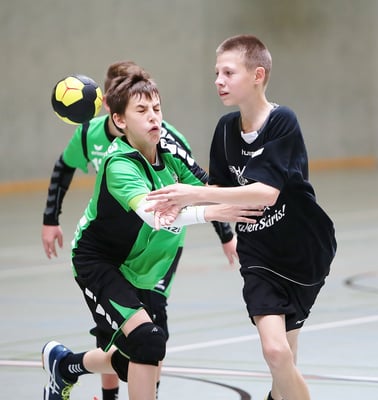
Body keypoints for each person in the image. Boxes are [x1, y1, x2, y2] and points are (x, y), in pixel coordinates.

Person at [41, 70, 262, 400]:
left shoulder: (171, 152)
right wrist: (213, 212)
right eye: (142, 111)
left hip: (143, 266)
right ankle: (71, 371)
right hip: (100, 263)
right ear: (119, 120)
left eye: (157, 109)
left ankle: (64, 366)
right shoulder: (118, 164)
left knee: (138, 355)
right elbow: (155, 216)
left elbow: (210, 187)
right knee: (148, 341)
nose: (153, 117)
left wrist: (256, 187)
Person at [146, 34, 337, 400]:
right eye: (216, 73)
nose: (219, 80)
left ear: (257, 75)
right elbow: (218, 190)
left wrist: (193, 194)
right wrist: (181, 204)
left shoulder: (282, 121)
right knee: (276, 352)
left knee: (285, 365)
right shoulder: (224, 130)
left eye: (228, 73)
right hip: (259, 256)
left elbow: (267, 193)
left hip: (305, 252)